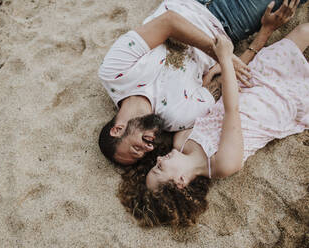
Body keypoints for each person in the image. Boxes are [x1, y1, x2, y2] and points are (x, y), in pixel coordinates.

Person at [118, 22, 309, 227]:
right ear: (180, 182)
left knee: (304, 31)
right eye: (159, 169)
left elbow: (212, 103)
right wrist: (225, 57)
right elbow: (231, 110)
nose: (158, 159)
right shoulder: (223, 164)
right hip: (281, 101)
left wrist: (211, 78)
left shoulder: (181, 140)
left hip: (251, 79)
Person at [98, 0, 304, 166]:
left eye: (136, 149)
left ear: (117, 129)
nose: (148, 149)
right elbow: (225, 81)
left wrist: (223, 54)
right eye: (143, 154)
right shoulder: (177, 117)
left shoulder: (115, 75)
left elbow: (168, 22)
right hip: (228, 21)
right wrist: (266, 31)